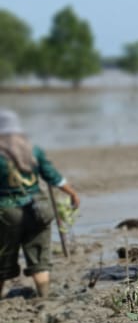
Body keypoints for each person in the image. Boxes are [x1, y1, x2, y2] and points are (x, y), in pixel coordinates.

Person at [0, 109, 80, 297]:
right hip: (37, 209)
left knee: (2, 257)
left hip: (6, 212)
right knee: (39, 257)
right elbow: (54, 178)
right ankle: (44, 295)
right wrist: (72, 193)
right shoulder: (33, 150)